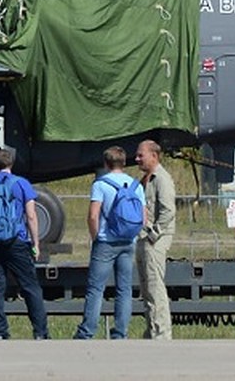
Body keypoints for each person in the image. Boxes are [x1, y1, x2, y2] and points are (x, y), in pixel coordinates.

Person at [74, 145, 145, 340]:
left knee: (96, 288)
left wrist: (96, 236)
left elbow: (93, 215)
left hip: (106, 241)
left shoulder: (100, 184)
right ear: (124, 162)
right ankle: (120, 332)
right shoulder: (136, 185)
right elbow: (143, 218)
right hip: (128, 241)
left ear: (106, 163)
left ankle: (87, 331)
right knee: (124, 289)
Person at [0, 148, 48, 340]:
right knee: (30, 286)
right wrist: (36, 243)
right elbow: (31, 216)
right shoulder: (22, 184)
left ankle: (0, 332)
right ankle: (40, 332)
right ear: (11, 164)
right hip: (17, 241)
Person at [135, 139, 176, 340]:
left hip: (155, 241)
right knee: (147, 289)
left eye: (141, 155)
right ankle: (152, 329)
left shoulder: (162, 179)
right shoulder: (146, 179)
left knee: (155, 288)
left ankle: (162, 333)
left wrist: (154, 233)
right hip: (143, 239)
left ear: (154, 155)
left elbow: (168, 210)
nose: (137, 159)